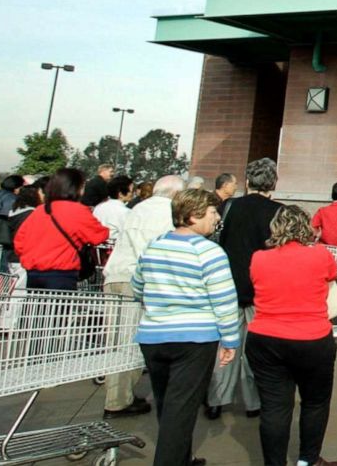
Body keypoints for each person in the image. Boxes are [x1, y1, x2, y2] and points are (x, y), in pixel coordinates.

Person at [133, 189, 241, 466]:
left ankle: (181, 456)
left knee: (168, 404)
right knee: (181, 409)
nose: (216, 218)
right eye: (212, 213)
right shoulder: (209, 252)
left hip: (154, 336)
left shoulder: (155, 245)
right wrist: (230, 340)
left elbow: (138, 286)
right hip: (194, 340)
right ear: (194, 216)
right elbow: (224, 300)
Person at [248, 206, 337, 466]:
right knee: (315, 402)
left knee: (274, 407)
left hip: (265, 338)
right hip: (312, 339)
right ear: (305, 227)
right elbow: (333, 277)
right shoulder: (321, 255)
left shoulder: (259, 258)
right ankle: (307, 460)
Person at [102, 174, 184, 419]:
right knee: (131, 342)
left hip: (115, 275)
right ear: (177, 194)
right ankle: (117, 401)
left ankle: (117, 395)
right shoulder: (169, 213)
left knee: (115, 339)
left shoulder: (137, 208)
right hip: (137, 280)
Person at [207, 158, 283, 421]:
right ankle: (253, 402)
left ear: (248, 181)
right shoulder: (279, 212)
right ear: (273, 182)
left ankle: (217, 398)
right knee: (255, 348)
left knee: (225, 345)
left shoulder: (229, 206)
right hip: (261, 289)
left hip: (228, 285)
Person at [14, 167, 109, 290]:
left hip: (34, 272)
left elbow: (19, 242)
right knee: (60, 308)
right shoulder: (77, 210)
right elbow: (98, 236)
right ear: (77, 188)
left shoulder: (40, 210)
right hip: (62, 272)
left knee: (36, 308)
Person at [94, 175, 136, 245]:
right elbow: (131, 235)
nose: (133, 194)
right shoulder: (125, 212)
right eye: (131, 191)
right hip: (115, 249)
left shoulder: (98, 207)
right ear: (120, 194)